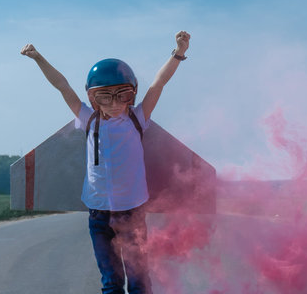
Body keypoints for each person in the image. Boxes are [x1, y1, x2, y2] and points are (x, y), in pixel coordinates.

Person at [20, 31, 191, 294]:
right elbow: (62, 85)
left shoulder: (138, 118)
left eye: (121, 95)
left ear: (132, 94)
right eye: (104, 97)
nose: (113, 104)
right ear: (92, 98)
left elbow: (159, 83)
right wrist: (38, 58)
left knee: (139, 282)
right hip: (99, 214)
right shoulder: (88, 119)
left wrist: (178, 52)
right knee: (111, 282)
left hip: (132, 212)